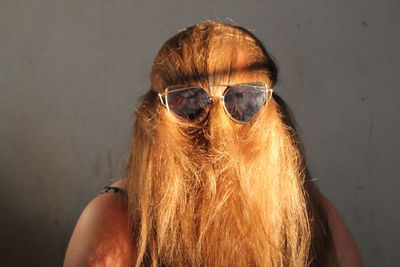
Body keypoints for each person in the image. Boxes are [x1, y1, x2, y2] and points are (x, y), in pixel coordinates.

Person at [63, 22, 363, 267]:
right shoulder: (116, 215)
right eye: (190, 101)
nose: (217, 124)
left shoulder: (307, 212)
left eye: (243, 99)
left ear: (272, 107)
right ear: (155, 114)